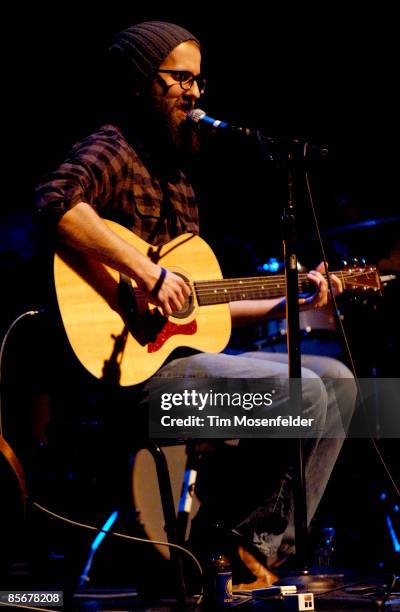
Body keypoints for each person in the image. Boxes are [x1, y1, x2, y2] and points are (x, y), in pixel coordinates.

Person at [35, 21, 356, 590]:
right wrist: (146, 271)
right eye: (181, 78)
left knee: (338, 380)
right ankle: (222, 542)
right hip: (128, 389)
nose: (196, 93)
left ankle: (259, 553)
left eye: (199, 81)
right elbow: (56, 205)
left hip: (179, 371)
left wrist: (290, 296)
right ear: (140, 83)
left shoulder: (179, 181)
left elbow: (205, 308)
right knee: (302, 390)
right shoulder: (111, 148)